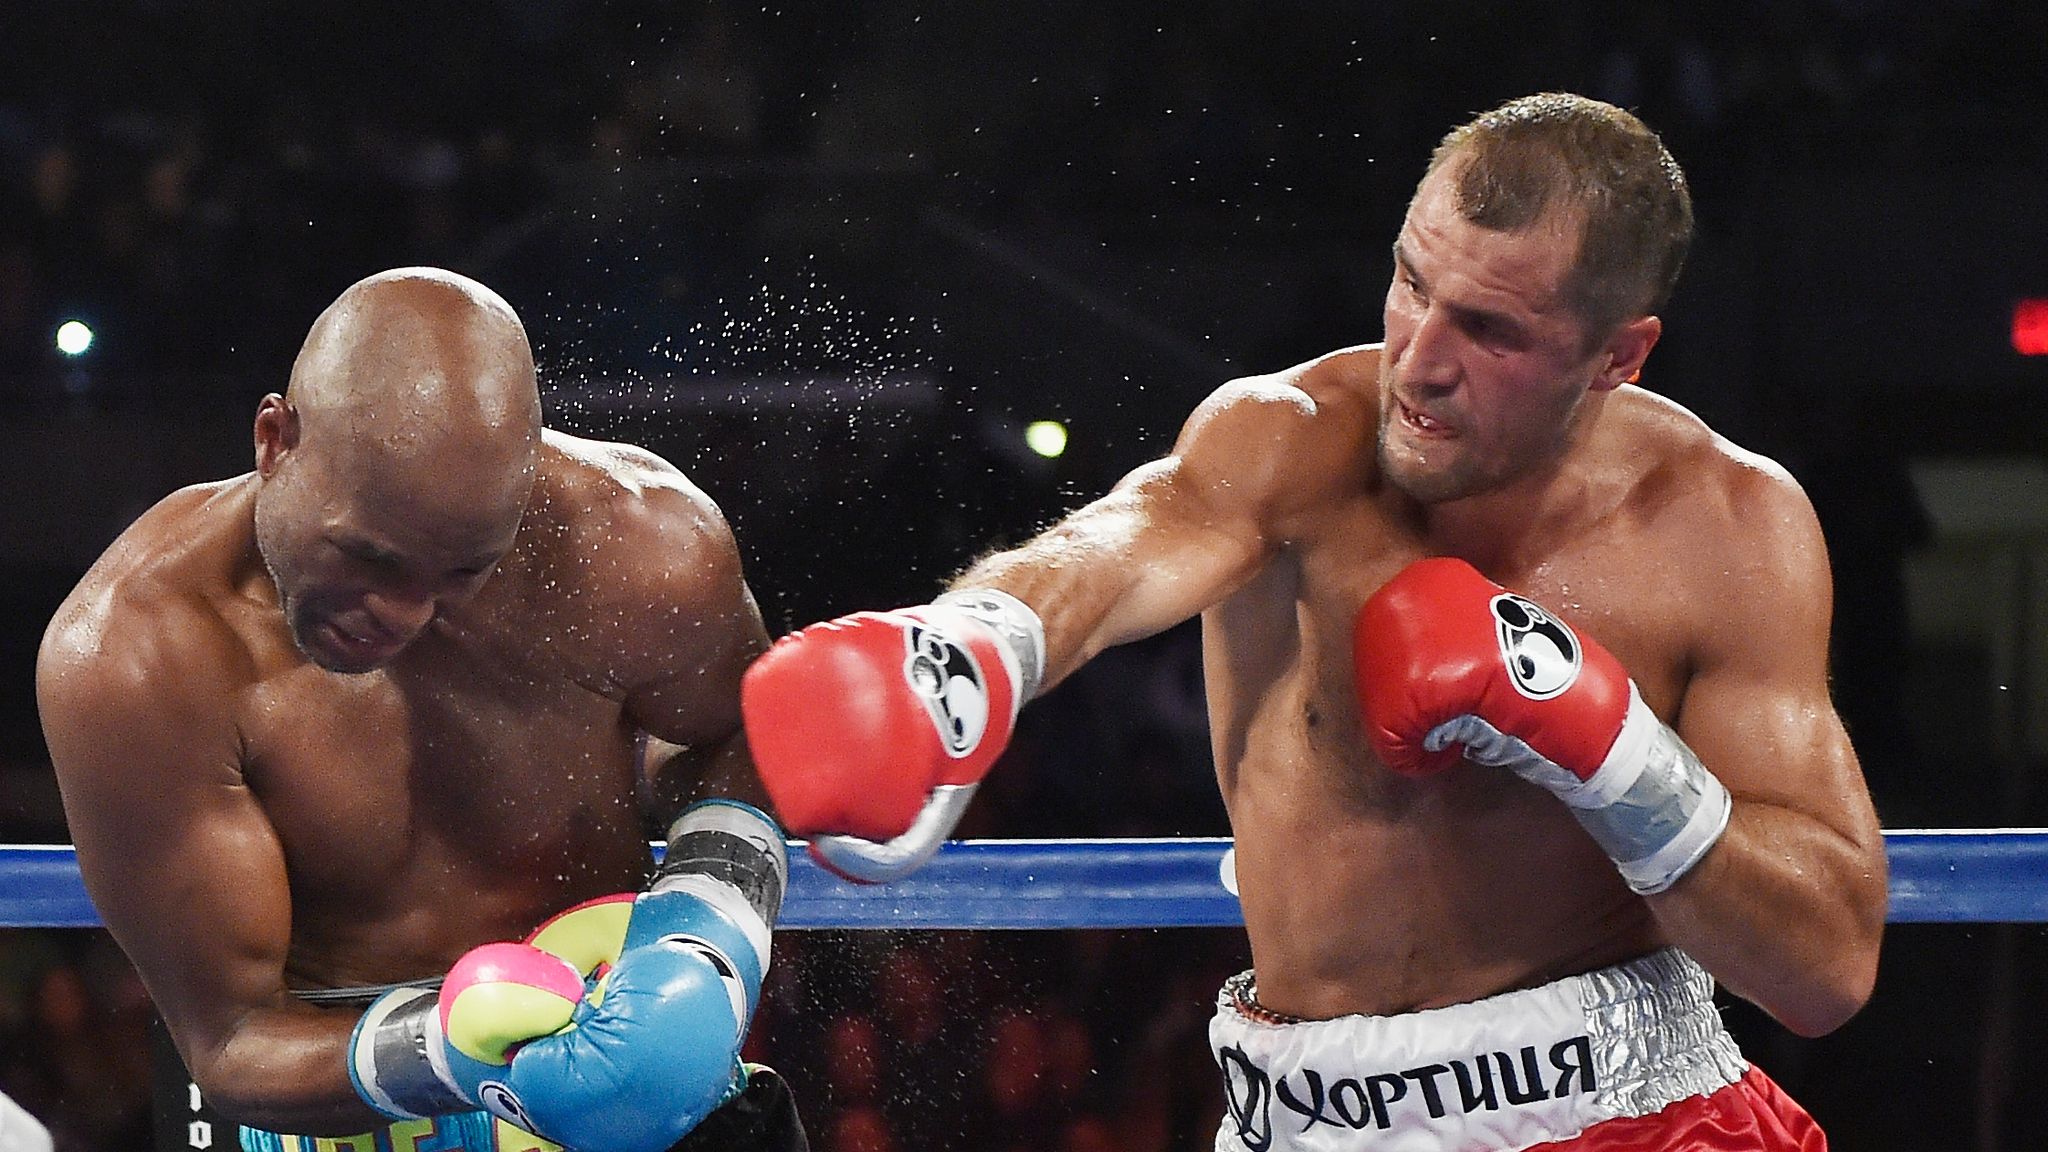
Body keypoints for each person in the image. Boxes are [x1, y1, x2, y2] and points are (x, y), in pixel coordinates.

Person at [742, 93, 1887, 1150]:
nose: (1418, 363)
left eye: (1488, 331)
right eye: (1409, 284)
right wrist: (974, 648)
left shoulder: (1724, 526)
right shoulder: (1290, 439)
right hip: (1293, 1115)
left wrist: (1610, 752)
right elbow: (1131, 536)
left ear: (1617, 357)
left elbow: (1824, 966)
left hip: (1627, 1113)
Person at [36, 268, 807, 1152]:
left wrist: (707, 931)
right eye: (369, 557)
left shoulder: (635, 553)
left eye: (462, 573)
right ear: (275, 439)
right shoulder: (141, 656)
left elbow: (737, 728)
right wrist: (447, 1055)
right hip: (345, 1108)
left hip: (645, 1076)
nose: (401, 615)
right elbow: (232, 1038)